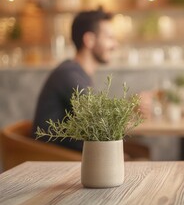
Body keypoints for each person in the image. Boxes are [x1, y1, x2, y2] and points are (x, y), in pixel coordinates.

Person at [32, 8, 149, 159]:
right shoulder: (68, 74)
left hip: (76, 153)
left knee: (141, 153)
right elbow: (99, 120)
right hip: (55, 160)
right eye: (109, 38)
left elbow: (97, 117)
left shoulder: (76, 73)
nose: (115, 45)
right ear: (89, 40)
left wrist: (130, 106)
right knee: (134, 159)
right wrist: (131, 106)